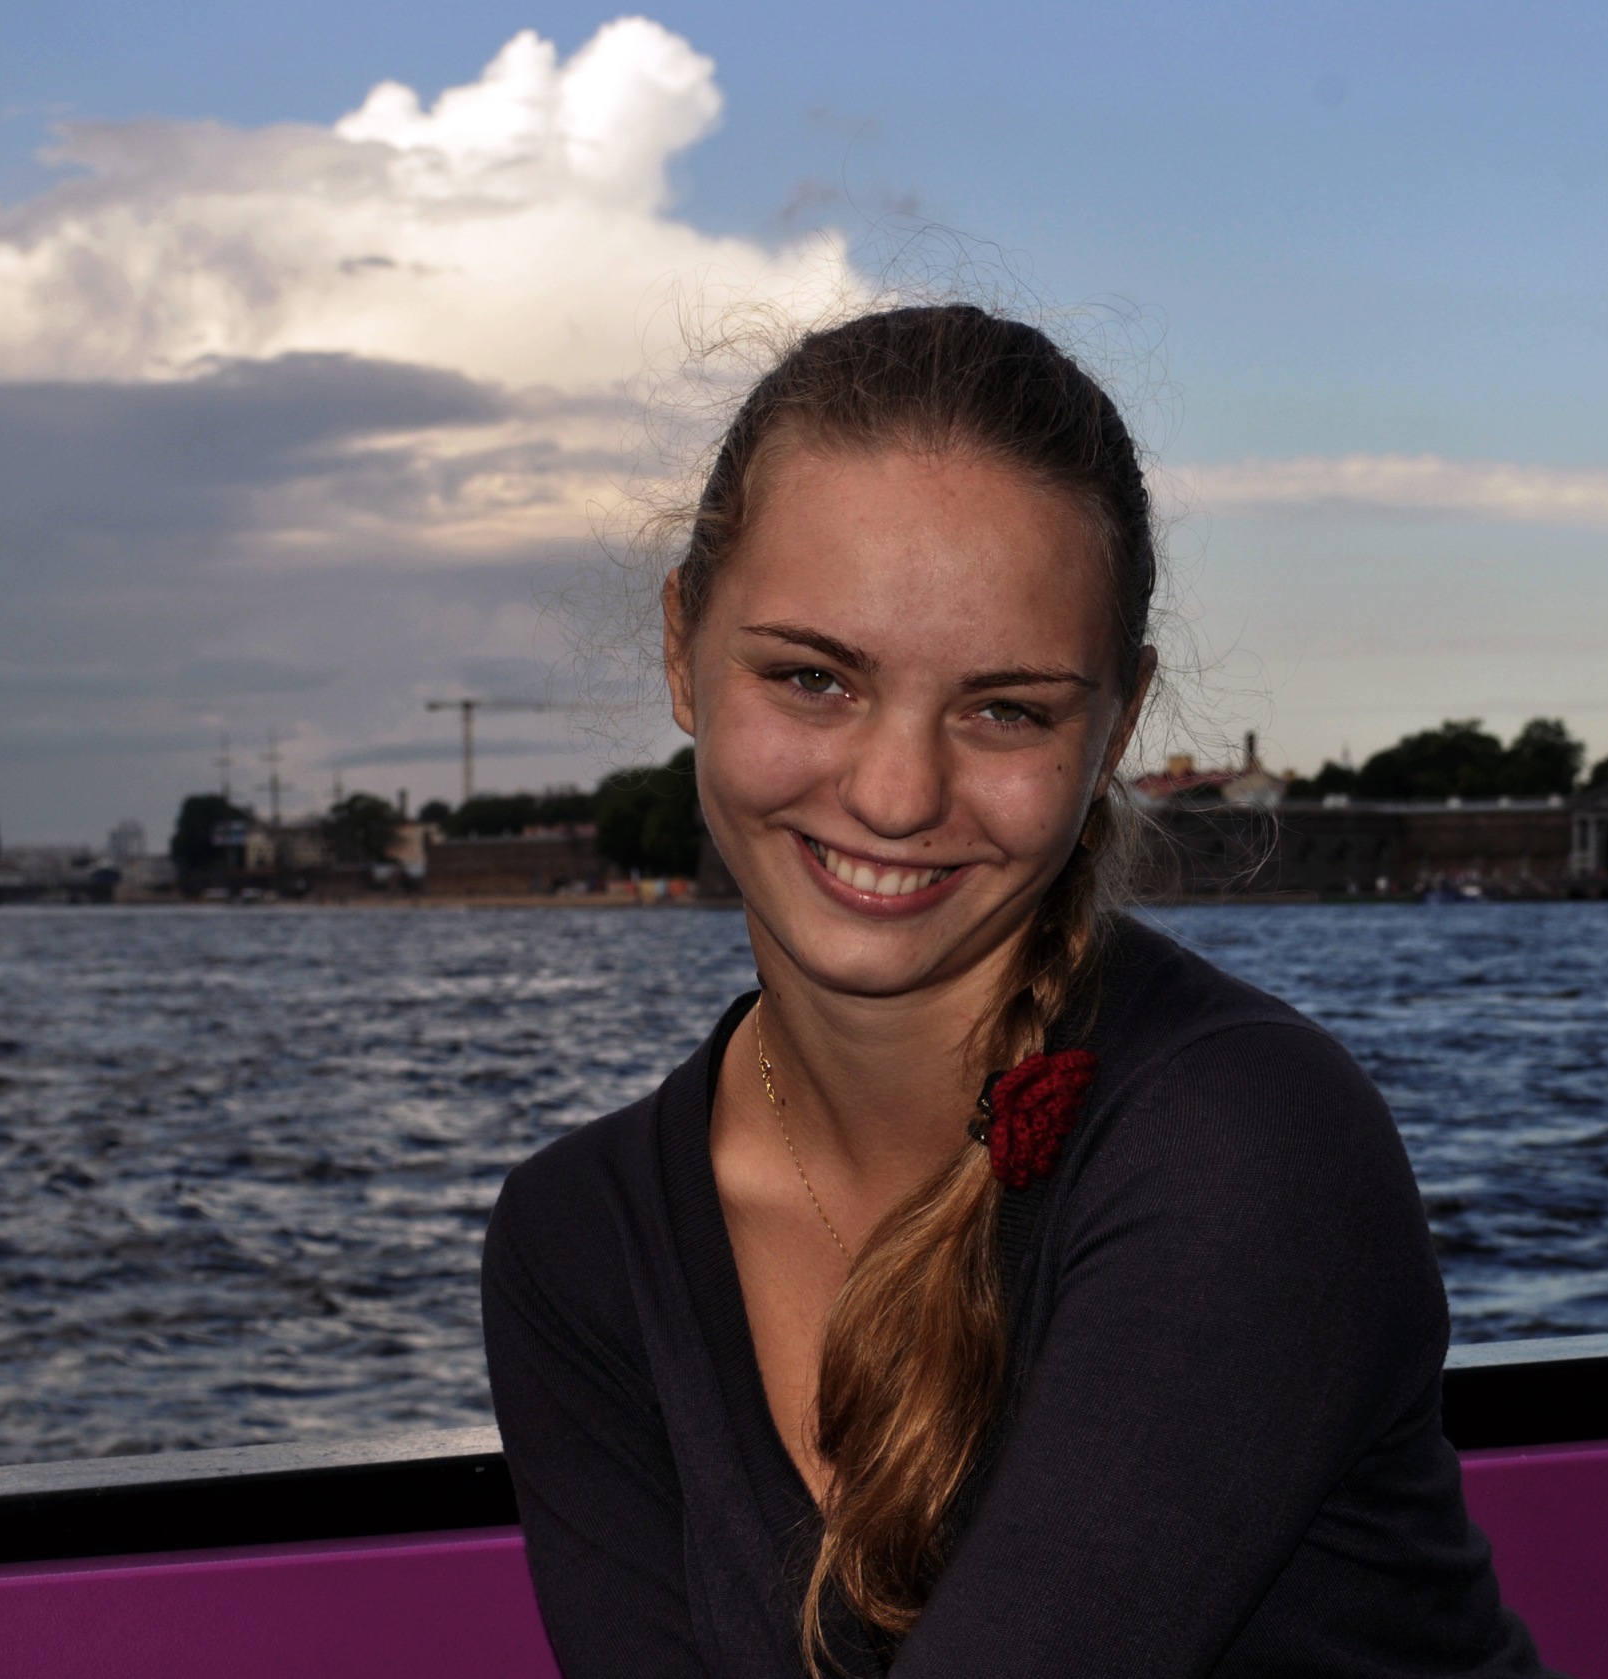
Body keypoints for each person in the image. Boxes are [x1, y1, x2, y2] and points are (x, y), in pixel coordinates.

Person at [482, 304, 1552, 1678]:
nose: (895, 793)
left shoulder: (1244, 1144)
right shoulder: (577, 1241)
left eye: (1007, 711)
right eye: (812, 678)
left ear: (1114, 728)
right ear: (683, 644)